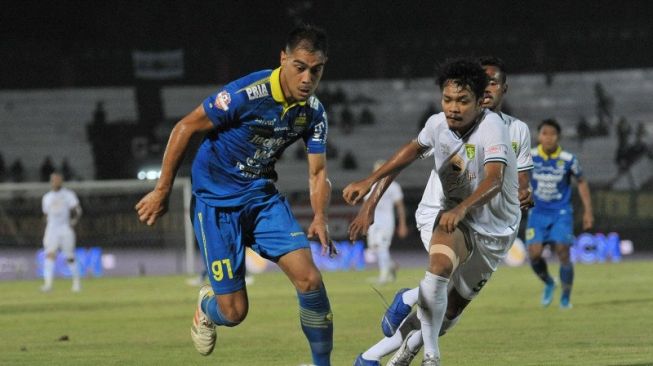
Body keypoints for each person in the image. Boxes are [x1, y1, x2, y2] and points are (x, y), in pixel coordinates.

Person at [134, 24, 336, 365]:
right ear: (283, 59)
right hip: (216, 203)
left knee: (310, 280)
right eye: (300, 67)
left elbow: (317, 172)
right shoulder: (248, 93)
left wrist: (319, 216)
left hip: (260, 198)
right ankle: (206, 307)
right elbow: (185, 127)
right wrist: (162, 190)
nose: (307, 78)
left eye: (315, 70)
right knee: (234, 312)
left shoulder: (313, 113)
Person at [349, 56, 534, 366]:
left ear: (495, 92)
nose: (453, 106)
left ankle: (385, 343)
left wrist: (523, 191)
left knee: (447, 311)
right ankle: (430, 357)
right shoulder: (441, 124)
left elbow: (498, 180)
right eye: (448, 99)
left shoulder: (504, 128)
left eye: (463, 99)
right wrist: (369, 194)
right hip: (446, 214)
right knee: (438, 273)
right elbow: (406, 155)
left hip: (495, 230)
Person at [527, 118, 594, 309]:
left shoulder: (568, 159)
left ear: (558, 137)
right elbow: (519, 177)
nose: (548, 138)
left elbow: (581, 181)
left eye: (552, 134)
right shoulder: (529, 156)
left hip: (561, 212)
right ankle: (549, 282)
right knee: (534, 254)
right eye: (544, 133)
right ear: (538, 136)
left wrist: (588, 211)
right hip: (537, 212)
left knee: (563, 252)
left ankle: (565, 298)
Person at [363, 159, 409, 285]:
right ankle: (392, 266)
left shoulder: (393, 186)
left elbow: (400, 206)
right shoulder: (370, 185)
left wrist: (402, 224)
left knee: (382, 247)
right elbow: (366, 207)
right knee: (374, 247)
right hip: (373, 223)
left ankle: (384, 276)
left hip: (386, 222)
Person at [41, 172, 83, 292]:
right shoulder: (47, 197)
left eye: (58, 180)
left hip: (65, 228)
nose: (56, 182)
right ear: (51, 182)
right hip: (52, 229)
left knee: (69, 256)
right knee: (49, 255)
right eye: (54, 180)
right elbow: (45, 214)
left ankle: (76, 283)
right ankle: (48, 285)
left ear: (61, 181)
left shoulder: (68, 195)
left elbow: (77, 210)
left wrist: (73, 222)